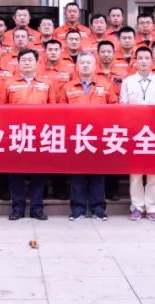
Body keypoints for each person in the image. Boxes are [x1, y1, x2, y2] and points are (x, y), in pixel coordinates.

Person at [60, 53, 118, 221]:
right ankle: (77, 209)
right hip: (76, 136)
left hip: (98, 135)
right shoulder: (68, 87)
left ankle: (98, 209)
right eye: (82, 63)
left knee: (97, 174)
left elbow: (114, 108)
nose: (85, 65)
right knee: (77, 174)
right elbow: (60, 112)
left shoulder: (105, 85)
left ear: (95, 66)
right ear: (77, 66)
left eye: (88, 63)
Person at [4, 49, 55, 220]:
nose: (27, 62)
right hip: (16, 134)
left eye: (30, 60)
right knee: (16, 173)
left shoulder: (46, 84)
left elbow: (54, 110)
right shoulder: (9, 83)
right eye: (24, 60)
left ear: (37, 62)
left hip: (40, 135)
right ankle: (17, 208)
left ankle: (36, 208)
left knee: (38, 173)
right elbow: (1, 110)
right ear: (18, 63)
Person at [119, 47, 155, 221]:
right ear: (135, 61)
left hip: (154, 133)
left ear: (152, 60)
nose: (144, 61)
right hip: (135, 132)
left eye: (147, 58)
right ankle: (137, 206)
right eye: (141, 58)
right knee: (136, 173)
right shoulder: (128, 82)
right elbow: (123, 107)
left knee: (154, 173)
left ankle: (152, 207)